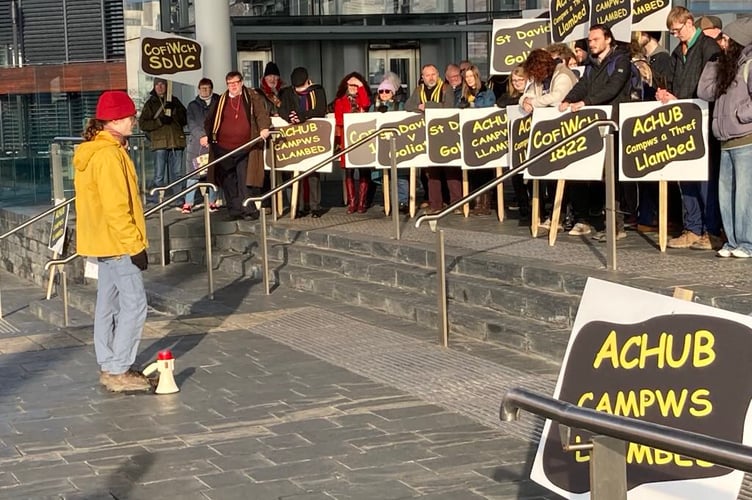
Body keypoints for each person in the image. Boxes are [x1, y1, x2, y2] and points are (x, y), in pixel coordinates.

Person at [74, 91, 150, 392]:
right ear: (115, 121)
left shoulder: (95, 150)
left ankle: (108, 363)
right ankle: (119, 369)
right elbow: (116, 206)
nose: (134, 120)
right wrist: (135, 246)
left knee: (108, 303)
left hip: (102, 241)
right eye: (131, 116)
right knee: (135, 304)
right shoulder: (108, 155)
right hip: (117, 242)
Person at [657, 6, 722, 250]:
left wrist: (680, 98)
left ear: (689, 22)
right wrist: (666, 93)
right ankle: (693, 227)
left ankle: (711, 230)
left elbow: (711, 86)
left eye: (677, 30)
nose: (676, 35)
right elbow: (674, 81)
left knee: (705, 179)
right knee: (686, 177)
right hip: (682, 123)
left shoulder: (708, 48)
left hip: (703, 121)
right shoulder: (678, 51)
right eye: (672, 32)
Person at [560, 23, 633, 240]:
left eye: (595, 39)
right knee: (591, 174)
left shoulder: (621, 61)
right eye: (590, 40)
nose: (591, 43)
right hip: (595, 125)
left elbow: (613, 87)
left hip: (615, 124)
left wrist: (586, 102)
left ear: (608, 39)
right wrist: (568, 99)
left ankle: (616, 226)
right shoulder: (591, 64)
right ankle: (590, 219)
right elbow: (583, 84)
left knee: (612, 178)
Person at [697, 18, 752, 258]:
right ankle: (731, 242)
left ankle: (747, 243)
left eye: (727, 39)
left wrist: (741, 115)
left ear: (739, 40)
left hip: (745, 138)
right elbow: (704, 92)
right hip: (724, 140)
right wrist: (713, 63)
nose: (723, 43)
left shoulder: (749, 65)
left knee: (744, 196)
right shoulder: (725, 66)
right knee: (726, 195)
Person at [521, 50, 578, 230]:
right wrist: (524, 102)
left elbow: (557, 97)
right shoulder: (540, 79)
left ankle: (567, 215)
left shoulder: (562, 75)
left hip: (566, 128)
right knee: (550, 177)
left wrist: (533, 102)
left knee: (567, 177)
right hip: (548, 132)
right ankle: (555, 216)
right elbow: (525, 94)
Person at [205, 71, 272, 222]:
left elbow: (261, 114)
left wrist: (264, 127)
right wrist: (207, 135)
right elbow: (210, 119)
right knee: (228, 180)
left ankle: (248, 210)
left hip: (245, 146)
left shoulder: (251, 96)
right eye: (230, 84)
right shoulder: (221, 99)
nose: (233, 86)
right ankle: (234, 211)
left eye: (236, 83)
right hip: (223, 148)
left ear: (241, 82)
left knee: (244, 180)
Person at [405, 63, 455, 214]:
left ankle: (456, 202)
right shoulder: (418, 90)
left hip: (446, 132)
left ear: (438, 75)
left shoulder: (446, 88)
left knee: (451, 168)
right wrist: (427, 107)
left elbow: (448, 107)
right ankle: (436, 204)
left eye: (433, 74)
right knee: (431, 170)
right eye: (427, 75)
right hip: (427, 133)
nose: (431, 78)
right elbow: (408, 106)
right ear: (423, 77)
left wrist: (427, 106)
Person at [279, 66, 328, 217]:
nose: (299, 91)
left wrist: (303, 115)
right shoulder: (287, 92)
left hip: (312, 136)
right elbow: (282, 109)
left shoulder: (317, 91)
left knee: (313, 171)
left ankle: (315, 206)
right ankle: (298, 207)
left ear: (308, 82)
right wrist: (290, 117)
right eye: (297, 89)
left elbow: (321, 110)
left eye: (302, 88)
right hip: (294, 137)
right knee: (296, 172)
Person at [138, 78, 187, 201]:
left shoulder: (174, 101)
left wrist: (175, 110)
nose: (160, 87)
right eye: (157, 85)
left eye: (162, 84)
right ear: (154, 87)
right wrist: (160, 121)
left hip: (175, 142)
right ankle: (158, 200)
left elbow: (185, 119)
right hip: (160, 143)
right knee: (159, 175)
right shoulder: (150, 103)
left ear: (166, 86)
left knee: (177, 174)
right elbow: (143, 124)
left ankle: (178, 199)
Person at [460, 64, 496, 215]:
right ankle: (476, 202)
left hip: (484, 134)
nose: (469, 79)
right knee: (473, 171)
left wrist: (473, 105)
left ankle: (485, 203)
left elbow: (487, 109)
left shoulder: (486, 92)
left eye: (471, 76)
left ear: (476, 76)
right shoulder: (463, 94)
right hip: (469, 135)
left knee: (485, 171)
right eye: (466, 77)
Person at [333, 71, 372, 214]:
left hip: (363, 139)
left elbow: (366, 103)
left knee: (363, 171)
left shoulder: (363, 97)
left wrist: (361, 86)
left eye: (356, 85)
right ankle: (352, 202)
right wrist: (353, 119)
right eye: (351, 85)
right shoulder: (340, 101)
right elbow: (339, 120)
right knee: (349, 172)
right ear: (346, 85)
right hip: (347, 139)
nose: (354, 87)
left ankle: (361, 202)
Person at [497, 65, 531, 223]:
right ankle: (524, 207)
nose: (517, 83)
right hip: (517, 141)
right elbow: (502, 101)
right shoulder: (510, 95)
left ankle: (536, 207)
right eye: (514, 80)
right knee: (516, 174)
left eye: (520, 80)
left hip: (531, 138)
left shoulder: (532, 93)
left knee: (531, 177)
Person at [182, 78, 220, 214]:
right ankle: (188, 202)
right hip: (197, 145)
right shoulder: (192, 105)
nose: (205, 90)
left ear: (211, 88)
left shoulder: (218, 102)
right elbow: (191, 123)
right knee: (193, 175)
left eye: (207, 87)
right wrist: (202, 136)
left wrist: (210, 137)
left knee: (213, 174)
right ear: (198, 89)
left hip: (214, 143)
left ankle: (213, 201)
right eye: (202, 88)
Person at [372, 78, 409, 213]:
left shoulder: (400, 105)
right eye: (381, 91)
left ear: (393, 92)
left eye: (387, 91)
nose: (384, 93)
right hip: (381, 145)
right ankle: (389, 202)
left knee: (400, 175)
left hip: (398, 144)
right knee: (385, 175)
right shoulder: (374, 106)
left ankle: (403, 202)